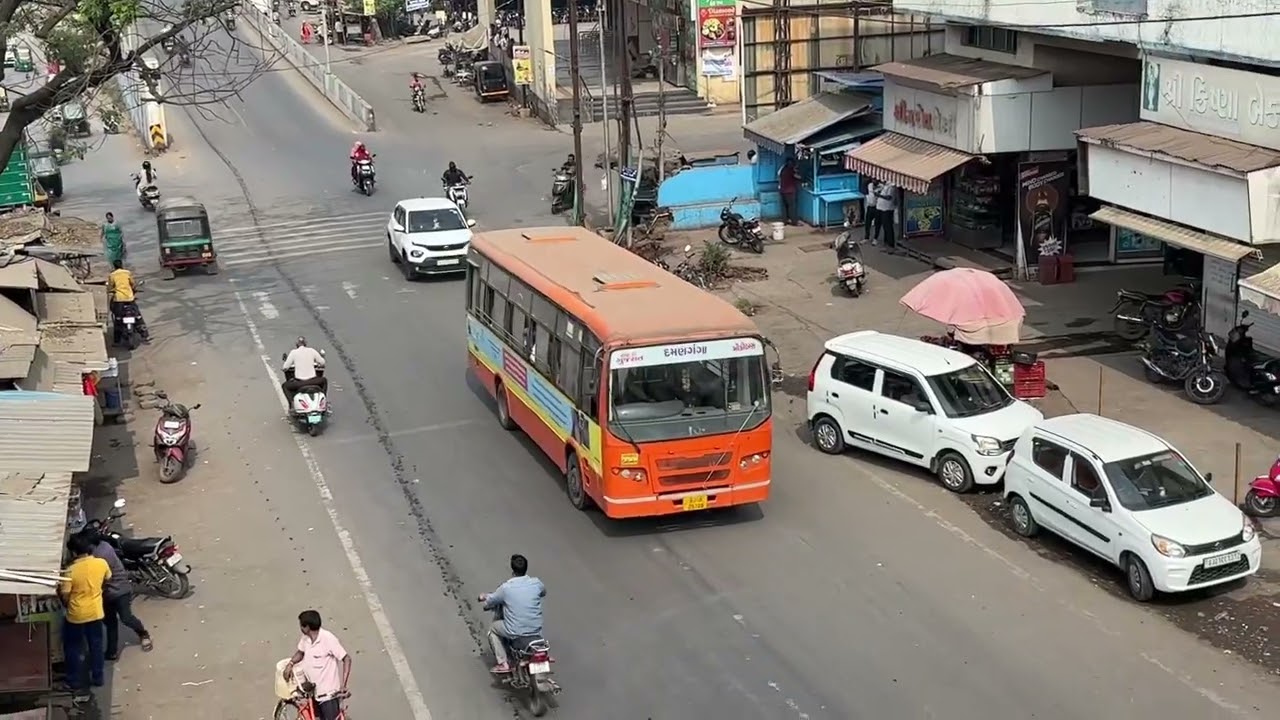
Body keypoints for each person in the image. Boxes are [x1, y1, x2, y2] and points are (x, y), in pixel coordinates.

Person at [84, 531, 152, 658]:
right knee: (110, 622)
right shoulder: (103, 546)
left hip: (119, 590)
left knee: (126, 618)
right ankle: (112, 651)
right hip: (107, 592)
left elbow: (97, 577)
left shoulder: (100, 555)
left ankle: (143, 634)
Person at [59, 535, 111, 696]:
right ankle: (98, 677)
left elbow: (65, 594)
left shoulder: (70, 571)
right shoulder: (101, 563)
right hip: (95, 612)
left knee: (73, 648)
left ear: (74, 552)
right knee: (96, 646)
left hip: (76, 615)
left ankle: (73, 680)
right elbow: (107, 578)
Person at [479, 553, 546, 674]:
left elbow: (492, 599)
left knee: (493, 629)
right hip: (536, 629)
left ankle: (503, 663)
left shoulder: (506, 588)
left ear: (512, 569)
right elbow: (543, 592)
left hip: (515, 630)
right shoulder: (537, 583)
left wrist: (483, 597)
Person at [283, 610, 351, 720]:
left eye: (301, 625)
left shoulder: (328, 639)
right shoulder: (306, 639)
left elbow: (346, 659)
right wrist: (290, 664)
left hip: (328, 695)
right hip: (313, 692)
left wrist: (344, 684)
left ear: (307, 627)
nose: (300, 628)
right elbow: (300, 652)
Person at [107, 261, 149, 343]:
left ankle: (117, 340)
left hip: (119, 299)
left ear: (114, 266)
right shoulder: (127, 273)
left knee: (118, 318)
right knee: (138, 316)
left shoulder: (112, 275)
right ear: (122, 265)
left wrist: (111, 290)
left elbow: (110, 286)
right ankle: (145, 335)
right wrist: (133, 288)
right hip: (130, 298)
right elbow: (132, 283)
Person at [875, 182, 897, 252]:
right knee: (885, 227)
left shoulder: (891, 187)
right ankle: (886, 244)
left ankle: (891, 245)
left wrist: (879, 195)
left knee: (888, 227)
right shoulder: (884, 185)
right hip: (882, 208)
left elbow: (889, 197)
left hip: (887, 209)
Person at [778, 158, 800, 226]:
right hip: (790, 191)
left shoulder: (782, 170)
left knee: (784, 207)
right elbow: (798, 177)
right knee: (792, 207)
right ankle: (794, 222)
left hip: (782, 191)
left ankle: (784, 221)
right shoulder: (790, 170)